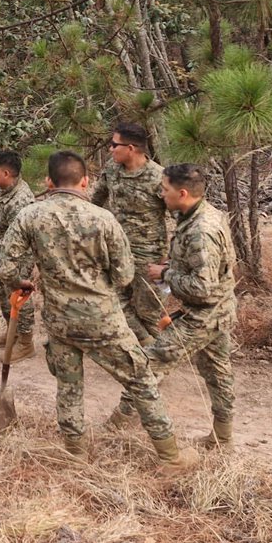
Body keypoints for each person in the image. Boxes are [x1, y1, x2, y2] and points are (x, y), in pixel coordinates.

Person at [0, 150, 198, 470]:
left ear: (48, 182)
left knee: (69, 386)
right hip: (103, 320)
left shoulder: (30, 215)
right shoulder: (104, 219)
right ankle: (170, 456)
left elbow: (6, 268)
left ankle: (75, 452)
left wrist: (23, 283)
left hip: (59, 320)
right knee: (141, 380)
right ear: (86, 182)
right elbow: (124, 276)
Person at [108, 164, 237, 451]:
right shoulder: (201, 215)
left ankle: (120, 422)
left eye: (164, 190)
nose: (161, 194)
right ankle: (223, 439)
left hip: (204, 314)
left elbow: (202, 286)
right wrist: (175, 267)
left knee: (146, 365)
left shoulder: (201, 230)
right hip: (218, 310)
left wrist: (165, 274)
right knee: (217, 372)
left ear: (182, 193)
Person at [92, 122, 170, 343]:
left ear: (132, 148)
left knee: (148, 313)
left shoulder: (158, 177)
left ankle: (155, 359)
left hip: (149, 256)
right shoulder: (111, 169)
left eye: (115, 144)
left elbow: (177, 216)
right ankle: (145, 348)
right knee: (111, 301)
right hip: (115, 251)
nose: (110, 149)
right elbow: (96, 201)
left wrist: (169, 260)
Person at [0, 149, 36, 356]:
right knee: (0, 290)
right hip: (3, 253)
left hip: (18, 256)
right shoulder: (4, 189)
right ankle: (11, 330)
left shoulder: (21, 201)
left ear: (6, 173)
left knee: (18, 295)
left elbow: (18, 239)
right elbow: (1, 218)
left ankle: (25, 342)